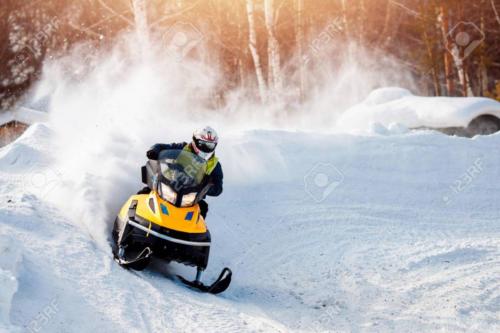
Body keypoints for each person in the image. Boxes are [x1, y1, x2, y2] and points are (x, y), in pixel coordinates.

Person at [144, 126, 223, 219]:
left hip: (191, 196)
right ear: (195, 140)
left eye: (210, 145)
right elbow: (162, 147)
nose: (206, 148)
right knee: (145, 192)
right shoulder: (182, 147)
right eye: (202, 144)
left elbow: (218, 188)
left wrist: (206, 187)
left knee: (203, 208)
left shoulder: (215, 165)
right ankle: (129, 216)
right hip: (167, 184)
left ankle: (194, 232)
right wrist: (154, 150)